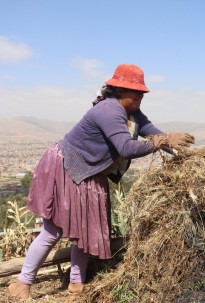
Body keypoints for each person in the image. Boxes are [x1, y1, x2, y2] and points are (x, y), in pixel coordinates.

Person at [8, 64, 195, 300]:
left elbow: (151, 132)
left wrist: (179, 152)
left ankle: (76, 282)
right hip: (67, 166)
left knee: (87, 229)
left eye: (142, 93)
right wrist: (163, 140)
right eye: (134, 91)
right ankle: (22, 283)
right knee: (52, 231)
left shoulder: (132, 113)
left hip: (92, 172)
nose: (140, 96)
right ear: (118, 91)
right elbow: (126, 148)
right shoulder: (109, 110)